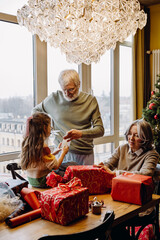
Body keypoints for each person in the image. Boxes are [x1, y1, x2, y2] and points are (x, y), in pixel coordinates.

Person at [95, 119, 159, 240]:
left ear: (145, 138)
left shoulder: (152, 154)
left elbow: (145, 174)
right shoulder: (122, 148)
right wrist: (102, 167)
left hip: (141, 204)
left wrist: (116, 173)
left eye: (136, 135)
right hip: (120, 198)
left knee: (109, 222)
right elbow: (109, 164)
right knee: (102, 219)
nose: (131, 138)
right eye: (130, 134)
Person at [32, 69, 104, 165]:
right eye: (64, 90)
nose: (67, 93)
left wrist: (81, 133)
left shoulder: (90, 101)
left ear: (79, 84)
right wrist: (48, 125)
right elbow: (34, 112)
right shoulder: (54, 98)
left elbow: (100, 130)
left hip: (85, 154)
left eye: (70, 89)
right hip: (61, 153)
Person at [20, 112, 69, 188]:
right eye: (50, 126)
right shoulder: (43, 145)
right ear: (45, 128)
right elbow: (55, 166)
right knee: (69, 166)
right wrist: (63, 153)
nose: (51, 129)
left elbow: (41, 161)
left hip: (32, 181)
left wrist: (55, 153)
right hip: (43, 181)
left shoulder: (29, 143)